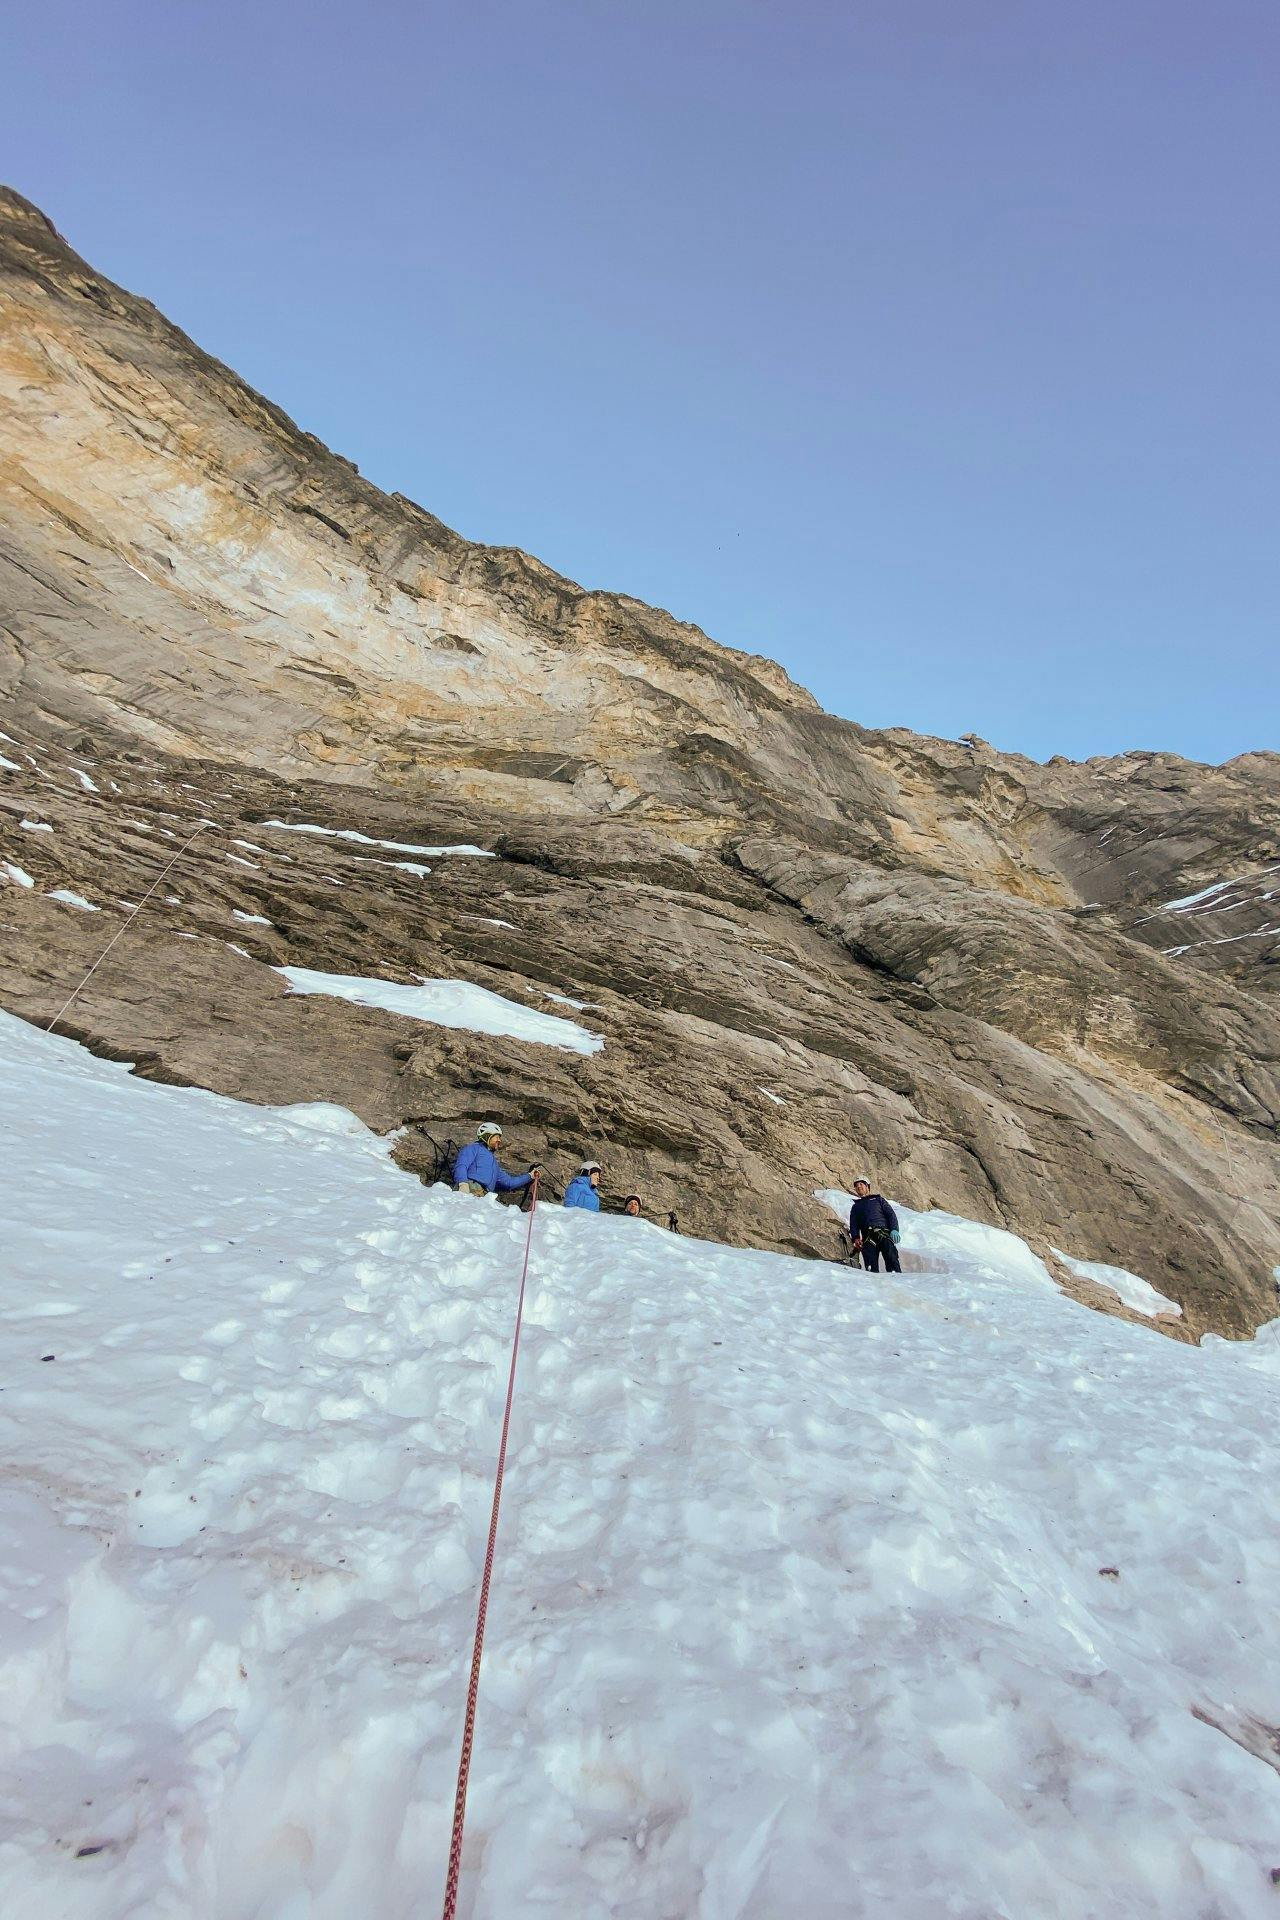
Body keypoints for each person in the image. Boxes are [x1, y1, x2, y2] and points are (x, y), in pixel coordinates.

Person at [452, 1122, 538, 1197]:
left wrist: (530, 1176)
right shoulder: (473, 1148)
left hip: (485, 1196)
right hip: (470, 1188)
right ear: (487, 1136)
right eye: (496, 1137)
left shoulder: (494, 1165)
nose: (499, 1140)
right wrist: (462, 1183)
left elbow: (509, 1182)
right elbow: (461, 1165)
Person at [848, 1178, 902, 1272]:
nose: (858, 1186)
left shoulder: (879, 1200)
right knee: (870, 1266)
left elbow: (891, 1215)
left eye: (861, 1184)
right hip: (868, 1237)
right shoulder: (856, 1206)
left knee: (891, 1258)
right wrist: (856, 1238)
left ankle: (896, 1278)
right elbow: (854, 1224)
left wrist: (894, 1229)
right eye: (856, 1186)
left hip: (883, 1233)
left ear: (867, 1186)